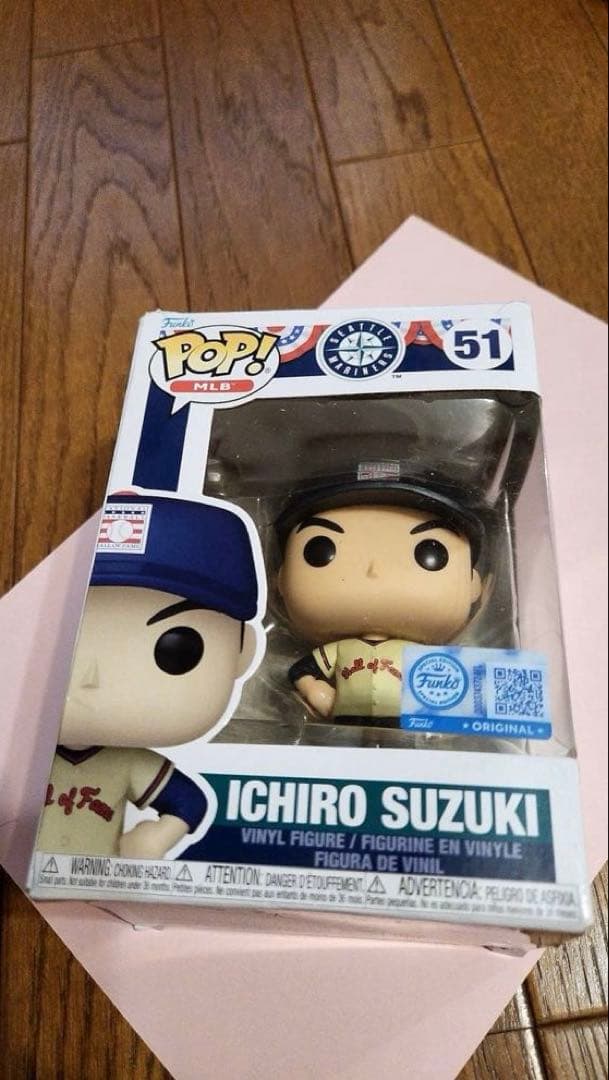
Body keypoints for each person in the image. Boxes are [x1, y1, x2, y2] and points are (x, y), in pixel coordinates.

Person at [36, 490, 263, 859]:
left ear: (242, 650)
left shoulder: (127, 762)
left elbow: (188, 802)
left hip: (96, 881)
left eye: (175, 651)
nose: (90, 680)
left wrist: (157, 837)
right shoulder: (18, 757)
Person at [275, 465, 485, 730]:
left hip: (405, 722)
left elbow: (461, 683)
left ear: (473, 583)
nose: (375, 569)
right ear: (281, 579)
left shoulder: (420, 656)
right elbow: (300, 671)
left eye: (430, 552)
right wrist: (316, 692)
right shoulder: (340, 650)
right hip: (344, 721)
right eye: (320, 550)